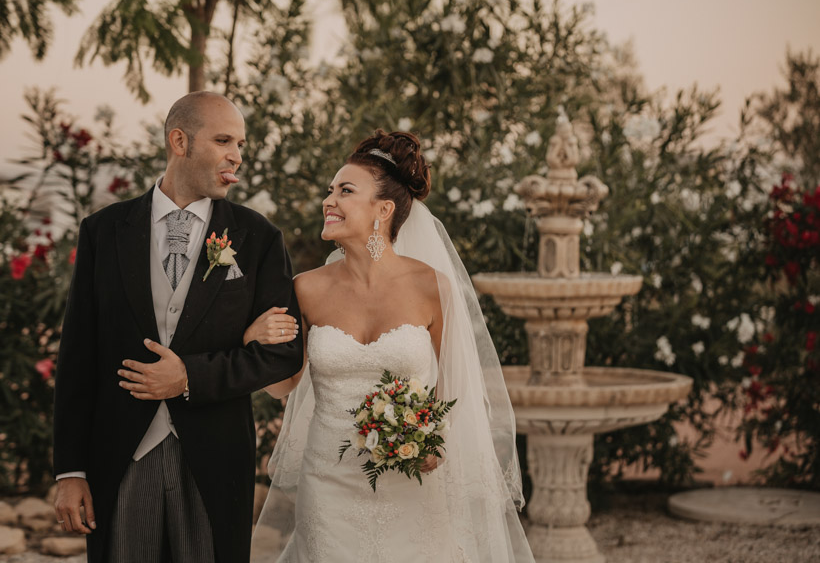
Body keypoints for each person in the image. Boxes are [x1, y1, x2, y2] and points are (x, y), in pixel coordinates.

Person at [252, 130, 535, 562]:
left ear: (383, 209)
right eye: (330, 191)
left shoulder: (431, 287)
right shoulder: (305, 289)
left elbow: (455, 387)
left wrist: (434, 442)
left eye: (345, 190)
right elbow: (282, 385)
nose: (329, 201)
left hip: (412, 482)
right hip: (328, 481)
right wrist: (254, 337)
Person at [52, 91, 303, 563]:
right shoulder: (103, 232)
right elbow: (77, 357)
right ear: (179, 141)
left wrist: (191, 376)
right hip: (121, 454)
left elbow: (282, 355)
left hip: (215, 457)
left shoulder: (258, 238)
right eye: (224, 140)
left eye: (242, 145)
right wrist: (70, 470)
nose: (238, 156)